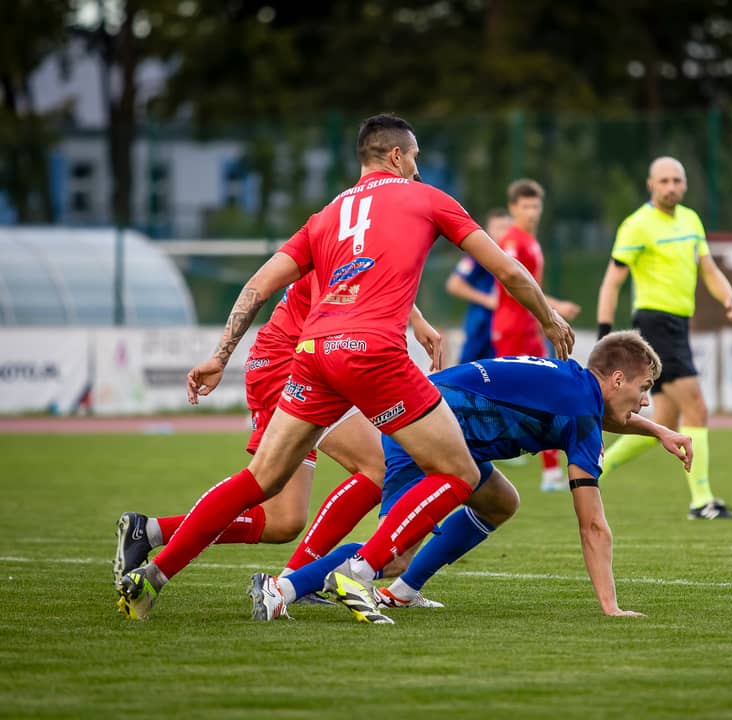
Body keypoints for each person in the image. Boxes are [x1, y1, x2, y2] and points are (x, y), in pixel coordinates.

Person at [115, 113, 573, 622]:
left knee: (261, 479)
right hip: (373, 354)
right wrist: (548, 317)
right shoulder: (427, 198)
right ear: (396, 156)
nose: (417, 168)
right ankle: (359, 572)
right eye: (414, 158)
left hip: (313, 353)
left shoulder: (327, 215)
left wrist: (220, 355)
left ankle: (153, 576)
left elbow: (258, 286)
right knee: (459, 472)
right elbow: (507, 270)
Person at [248, 331, 692, 621]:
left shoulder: (577, 387)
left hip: (433, 421)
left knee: (500, 500)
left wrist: (658, 431)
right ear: (617, 379)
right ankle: (282, 589)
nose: (646, 401)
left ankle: (403, 592)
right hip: (423, 428)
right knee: (393, 554)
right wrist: (611, 607)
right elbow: (592, 524)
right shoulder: (580, 410)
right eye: (644, 389)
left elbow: (601, 415)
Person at [111, 271, 443, 590]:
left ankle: (149, 531)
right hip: (290, 363)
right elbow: (293, 293)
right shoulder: (340, 246)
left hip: (290, 360)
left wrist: (415, 318)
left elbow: (374, 276)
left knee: (284, 521)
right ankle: (292, 584)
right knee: (377, 466)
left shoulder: (359, 246)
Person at [596, 156, 732, 520]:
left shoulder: (691, 220)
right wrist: (604, 333)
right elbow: (612, 281)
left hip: (678, 324)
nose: (671, 187)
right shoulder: (636, 225)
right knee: (697, 407)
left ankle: (597, 466)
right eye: (663, 181)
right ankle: (701, 501)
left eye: (677, 180)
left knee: (664, 417)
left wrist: (730, 299)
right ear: (651, 185)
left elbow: (708, 269)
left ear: (685, 184)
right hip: (655, 324)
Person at [490, 179, 582, 492]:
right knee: (527, 397)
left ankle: (550, 470)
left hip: (530, 328)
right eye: (525, 206)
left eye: (535, 206)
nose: (531, 212)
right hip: (513, 329)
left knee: (539, 396)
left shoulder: (530, 241)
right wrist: (553, 309)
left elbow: (533, 289)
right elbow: (513, 286)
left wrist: (551, 309)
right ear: (513, 208)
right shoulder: (512, 242)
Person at [444, 208, 512, 364]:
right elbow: (454, 284)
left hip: (507, 327)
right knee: (470, 370)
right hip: (481, 326)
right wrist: (488, 300)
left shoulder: (514, 256)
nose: (504, 233)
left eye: (507, 228)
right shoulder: (480, 255)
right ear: (488, 230)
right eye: (499, 228)